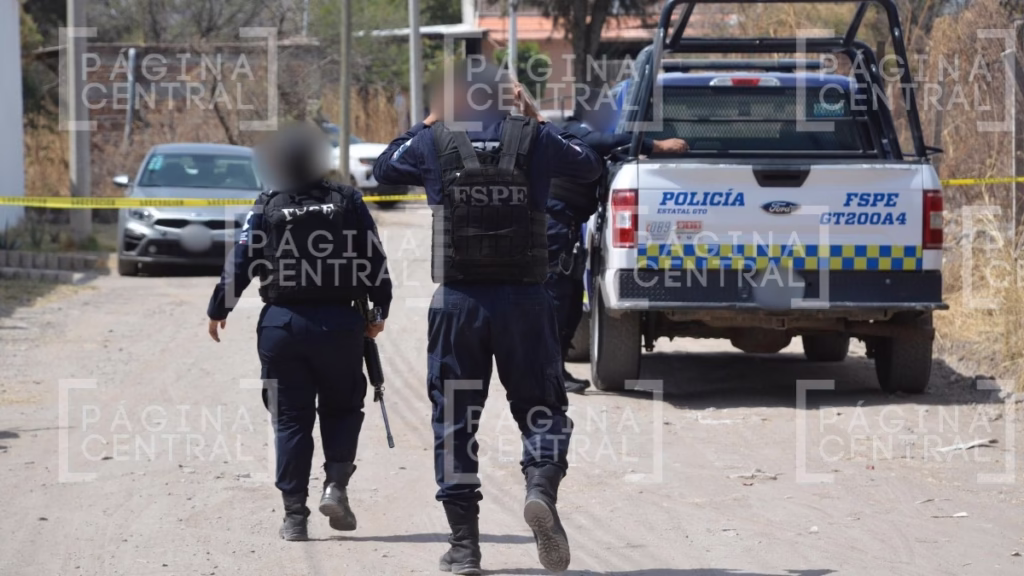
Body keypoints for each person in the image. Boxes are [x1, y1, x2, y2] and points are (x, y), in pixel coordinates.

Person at [373, 61, 602, 574]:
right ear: (507, 95)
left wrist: (429, 119)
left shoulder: (433, 141)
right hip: (526, 301)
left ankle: (464, 548)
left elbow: (385, 169)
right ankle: (540, 488)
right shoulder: (535, 137)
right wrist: (536, 116)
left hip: (459, 304)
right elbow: (589, 165)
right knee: (541, 408)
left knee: (455, 421)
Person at [206, 122, 392, 542]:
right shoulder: (347, 199)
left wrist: (219, 307)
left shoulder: (267, 204)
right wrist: (379, 310)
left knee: (290, 420)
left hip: (282, 325)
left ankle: (294, 516)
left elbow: (242, 260)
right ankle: (335, 486)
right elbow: (374, 259)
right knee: (342, 409)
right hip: (340, 325)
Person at [547, 96, 689, 394]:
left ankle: (553, 372)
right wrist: (657, 146)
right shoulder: (573, 130)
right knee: (558, 301)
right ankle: (549, 375)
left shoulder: (576, 134)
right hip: (554, 227)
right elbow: (606, 141)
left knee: (568, 300)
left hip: (563, 226)